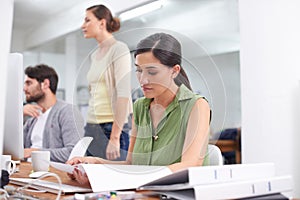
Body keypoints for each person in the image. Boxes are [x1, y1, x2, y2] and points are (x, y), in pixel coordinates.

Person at [67, 33, 211, 185]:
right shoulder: (140, 107)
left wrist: (116, 178)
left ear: (174, 71)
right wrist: (95, 164)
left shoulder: (197, 105)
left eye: (152, 72)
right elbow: (131, 165)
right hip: (146, 193)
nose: (143, 80)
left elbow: (190, 165)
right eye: (139, 70)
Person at [81, 4, 132, 160]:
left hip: (111, 127)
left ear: (102, 23)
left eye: (87, 20)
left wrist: (115, 137)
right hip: (91, 126)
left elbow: (123, 94)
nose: (83, 26)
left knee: (114, 182)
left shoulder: (119, 49)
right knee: (86, 179)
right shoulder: (94, 55)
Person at [23, 64, 84, 163]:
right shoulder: (33, 118)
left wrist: (34, 152)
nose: (24, 89)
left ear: (45, 84)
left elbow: (73, 153)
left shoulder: (67, 111)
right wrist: (19, 115)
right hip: (28, 171)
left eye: (29, 83)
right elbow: (14, 148)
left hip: (53, 174)